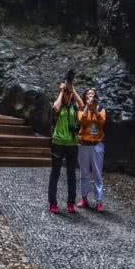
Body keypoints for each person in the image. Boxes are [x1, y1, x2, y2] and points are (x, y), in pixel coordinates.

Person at [48, 73, 84, 214]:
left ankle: (70, 203)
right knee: (55, 173)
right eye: (67, 93)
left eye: (70, 94)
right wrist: (62, 91)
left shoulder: (74, 107)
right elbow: (55, 107)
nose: (68, 96)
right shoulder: (60, 105)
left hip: (72, 144)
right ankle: (53, 203)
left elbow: (82, 105)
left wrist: (72, 89)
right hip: (58, 142)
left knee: (71, 174)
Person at [77, 87, 106, 212]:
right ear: (85, 97)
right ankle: (84, 198)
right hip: (84, 144)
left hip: (96, 145)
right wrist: (87, 108)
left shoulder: (100, 108)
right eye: (88, 94)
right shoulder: (81, 109)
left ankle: (99, 201)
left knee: (97, 174)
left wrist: (95, 111)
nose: (90, 96)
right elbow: (82, 122)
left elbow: (101, 123)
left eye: (92, 94)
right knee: (84, 173)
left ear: (96, 97)